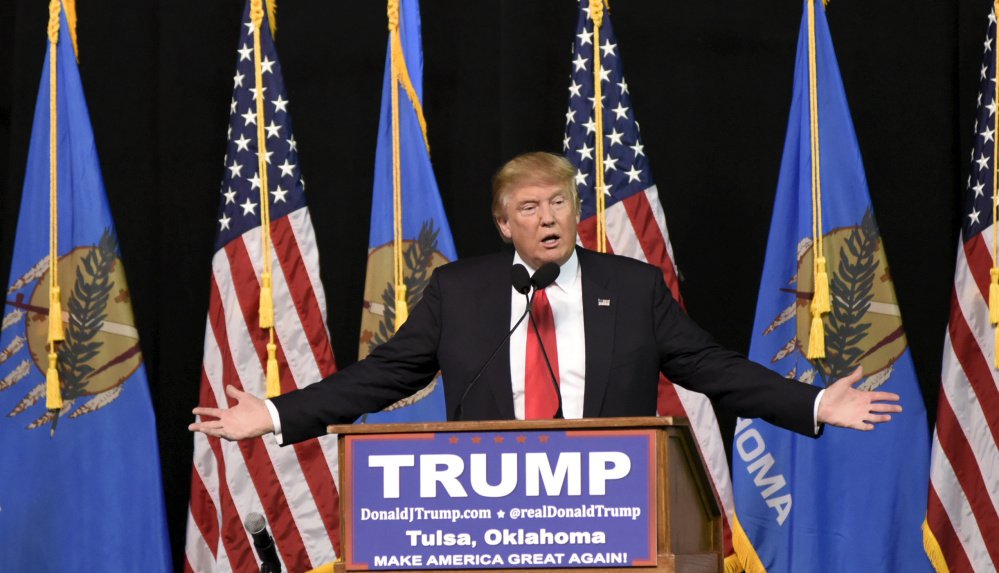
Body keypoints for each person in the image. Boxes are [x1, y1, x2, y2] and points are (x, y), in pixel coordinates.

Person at [190, 152, 901, 445]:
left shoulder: (631, 287)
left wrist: (812, 402)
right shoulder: (459, 291)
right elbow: (381, 376)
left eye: (559, 202)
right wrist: (277, 412)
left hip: (609, 509)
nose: (550, 217)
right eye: (530, 207)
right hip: (493, 519)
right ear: (504, 224)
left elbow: (713, 369)